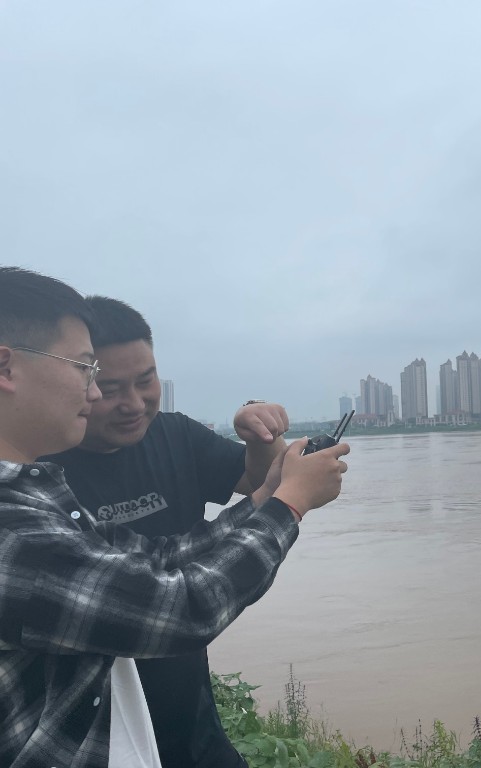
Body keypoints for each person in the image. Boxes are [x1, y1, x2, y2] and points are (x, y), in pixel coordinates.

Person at [0, 266, 349, 768]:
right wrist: (288, 506)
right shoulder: (13, 529)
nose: (96, 395)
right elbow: (183, 607)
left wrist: (271, 495)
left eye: (143, 381)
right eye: (85, 370)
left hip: (171, 732)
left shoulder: (35, 492)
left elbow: (154, 560)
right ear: (6, 368)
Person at [44, 296, 292, 767]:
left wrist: (260, 432)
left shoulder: (175, 434)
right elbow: (166, 595)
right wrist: (289, 504)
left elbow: (257, 481)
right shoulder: (41, 470)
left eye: (146, 380)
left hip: (191, 720)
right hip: (96, 737)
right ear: (79, 383)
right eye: (110, 388)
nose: (134, 404)